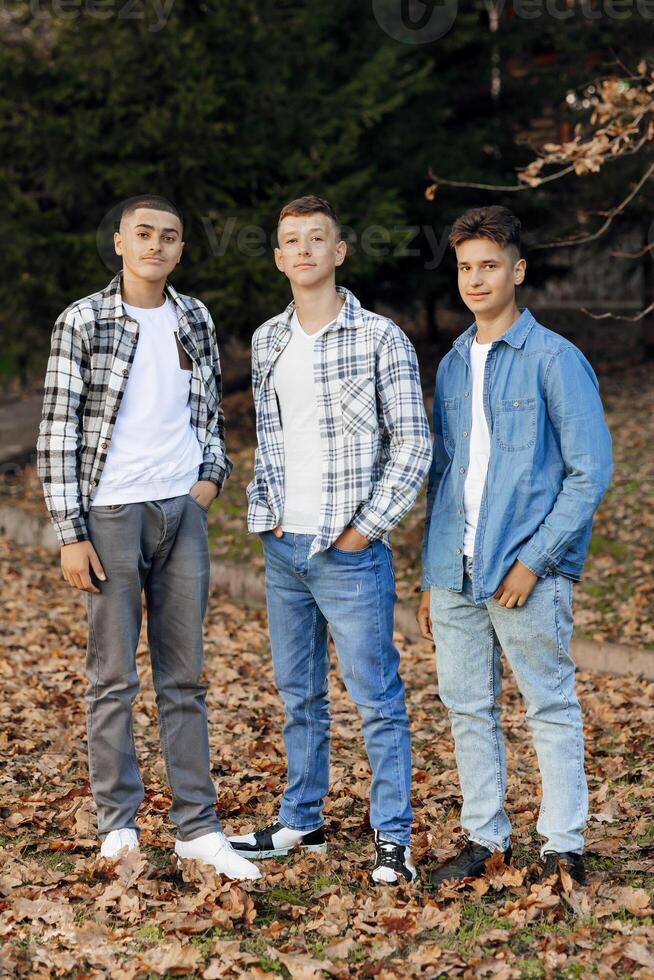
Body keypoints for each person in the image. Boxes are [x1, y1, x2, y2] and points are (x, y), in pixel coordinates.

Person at [36, 194, 260, 881]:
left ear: (180, 249)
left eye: (169, 237)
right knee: (112, 678)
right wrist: (71, 533)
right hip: (110, 515)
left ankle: (196, 828)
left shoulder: (193, 316)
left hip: (179, 513)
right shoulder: (84, 320)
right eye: (144, 234)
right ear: (119, 243)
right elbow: (56, 432)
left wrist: (209, 481)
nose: (156, 246)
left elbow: (209, 412)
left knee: (184, 677)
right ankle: (119, 827)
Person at [228, 195, 432, 884]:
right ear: (280, 257)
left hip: (349, 553)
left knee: (376, 700)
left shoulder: (380, 337)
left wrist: (361, 531)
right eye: (293, 240)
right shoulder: (267, 341)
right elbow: (269, 438)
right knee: (298, 695)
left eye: (320, 238)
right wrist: (271, 513)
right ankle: (302, 822)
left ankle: (393, 839)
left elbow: (412, 444)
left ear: (340, 252)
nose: (306, 250)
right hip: (284, 550)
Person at [417, 205, 612, 887]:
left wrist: (536, 560)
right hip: (456, 571)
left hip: (525, 569)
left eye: (489, 265)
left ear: (517, 270)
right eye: (466, 267)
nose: (475, 279)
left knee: (549, 706)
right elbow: (447, 474)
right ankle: (485, 842)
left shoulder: (556, 359)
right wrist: (430, 573)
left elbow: (591, 471)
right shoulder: (450, 365)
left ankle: (563, 847)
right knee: (467, 707)